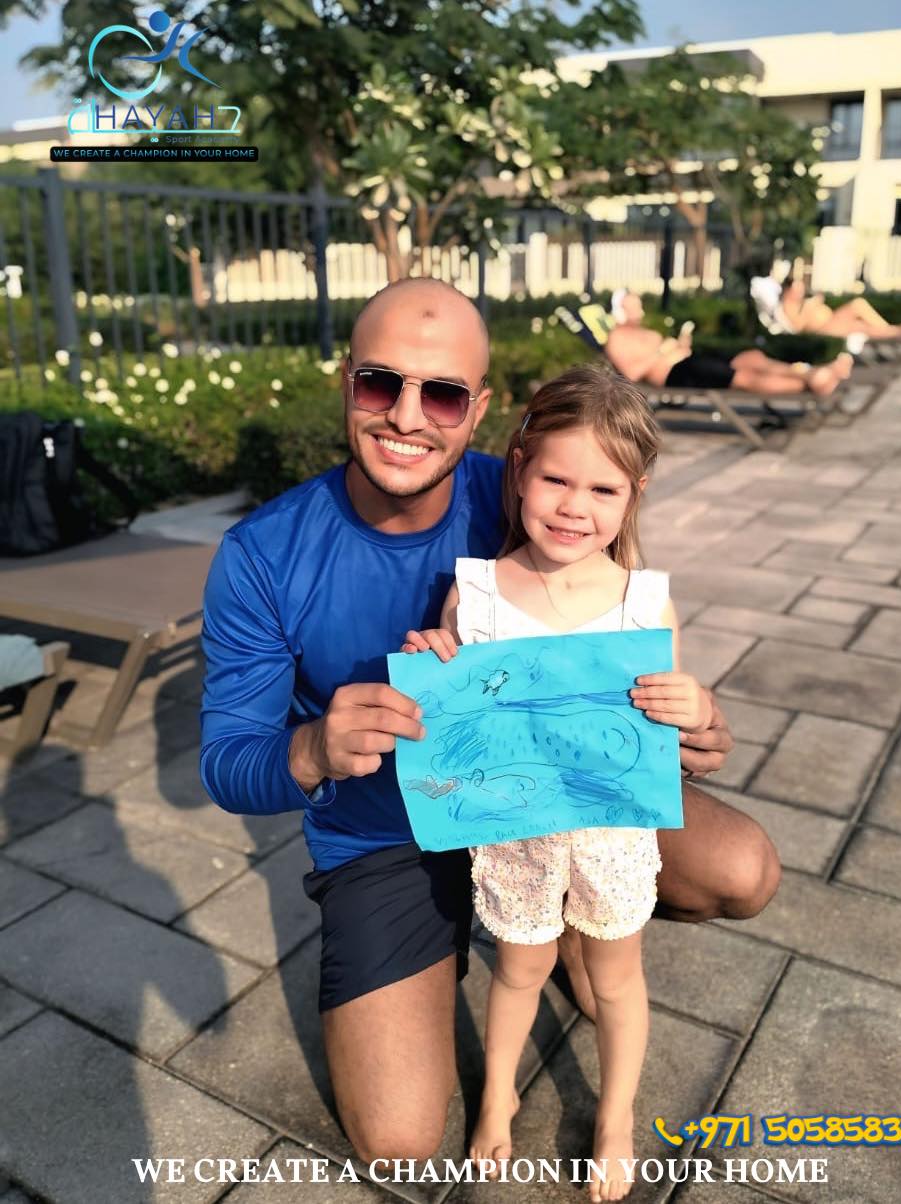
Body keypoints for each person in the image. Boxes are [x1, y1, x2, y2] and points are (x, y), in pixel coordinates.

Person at [200, 278, 780, 1165]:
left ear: (478, 411)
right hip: (385, 834)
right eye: (377, 383)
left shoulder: (535, 496)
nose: (405, 416)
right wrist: (312, 748)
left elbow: (624, 640)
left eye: (438, 393)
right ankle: (501, 938)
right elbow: (227, 762)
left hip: (556, 795)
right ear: (344, 378)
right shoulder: (264, 553)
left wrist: (691, 727)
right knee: (396, 1138)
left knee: (742, 870)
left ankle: (576, 931)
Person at [400, 363, 714, 1200]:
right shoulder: (477, 594)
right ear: (519, 470)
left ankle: (615, 1118)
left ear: (633, 495)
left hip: (611, 838)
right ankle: (498, 1095)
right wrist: (436, 667)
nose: (575, 507)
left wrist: (690, 703)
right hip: (515, 835)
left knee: (616, 979)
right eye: (556, 479)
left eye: (603, 490)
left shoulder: (642, 605)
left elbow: (669, 725)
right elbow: (453, 722)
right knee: (517, 971)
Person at [606, 288, 853, 398]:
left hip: (689, 361)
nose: (640, 310)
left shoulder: (645, 332)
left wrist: (680, 345)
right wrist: (662, 351)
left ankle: (808, 373)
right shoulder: (617, 340)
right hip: (677, 373)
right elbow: (632, 374)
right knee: (742, 376)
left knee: (751, 357)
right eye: (633, 306)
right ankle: (810, 384)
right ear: (619, 311)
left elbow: (671, 351)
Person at [779, 279, 901, 340]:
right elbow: (798, 328)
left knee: (859, 322)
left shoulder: (799, 303)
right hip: (822, 330)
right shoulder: (788, 306)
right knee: (858, 306)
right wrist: (809, 308)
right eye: (797, 290)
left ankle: (892, 332)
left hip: (830, 322)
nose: (800, 293)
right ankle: (892, 332)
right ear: (787, 291)